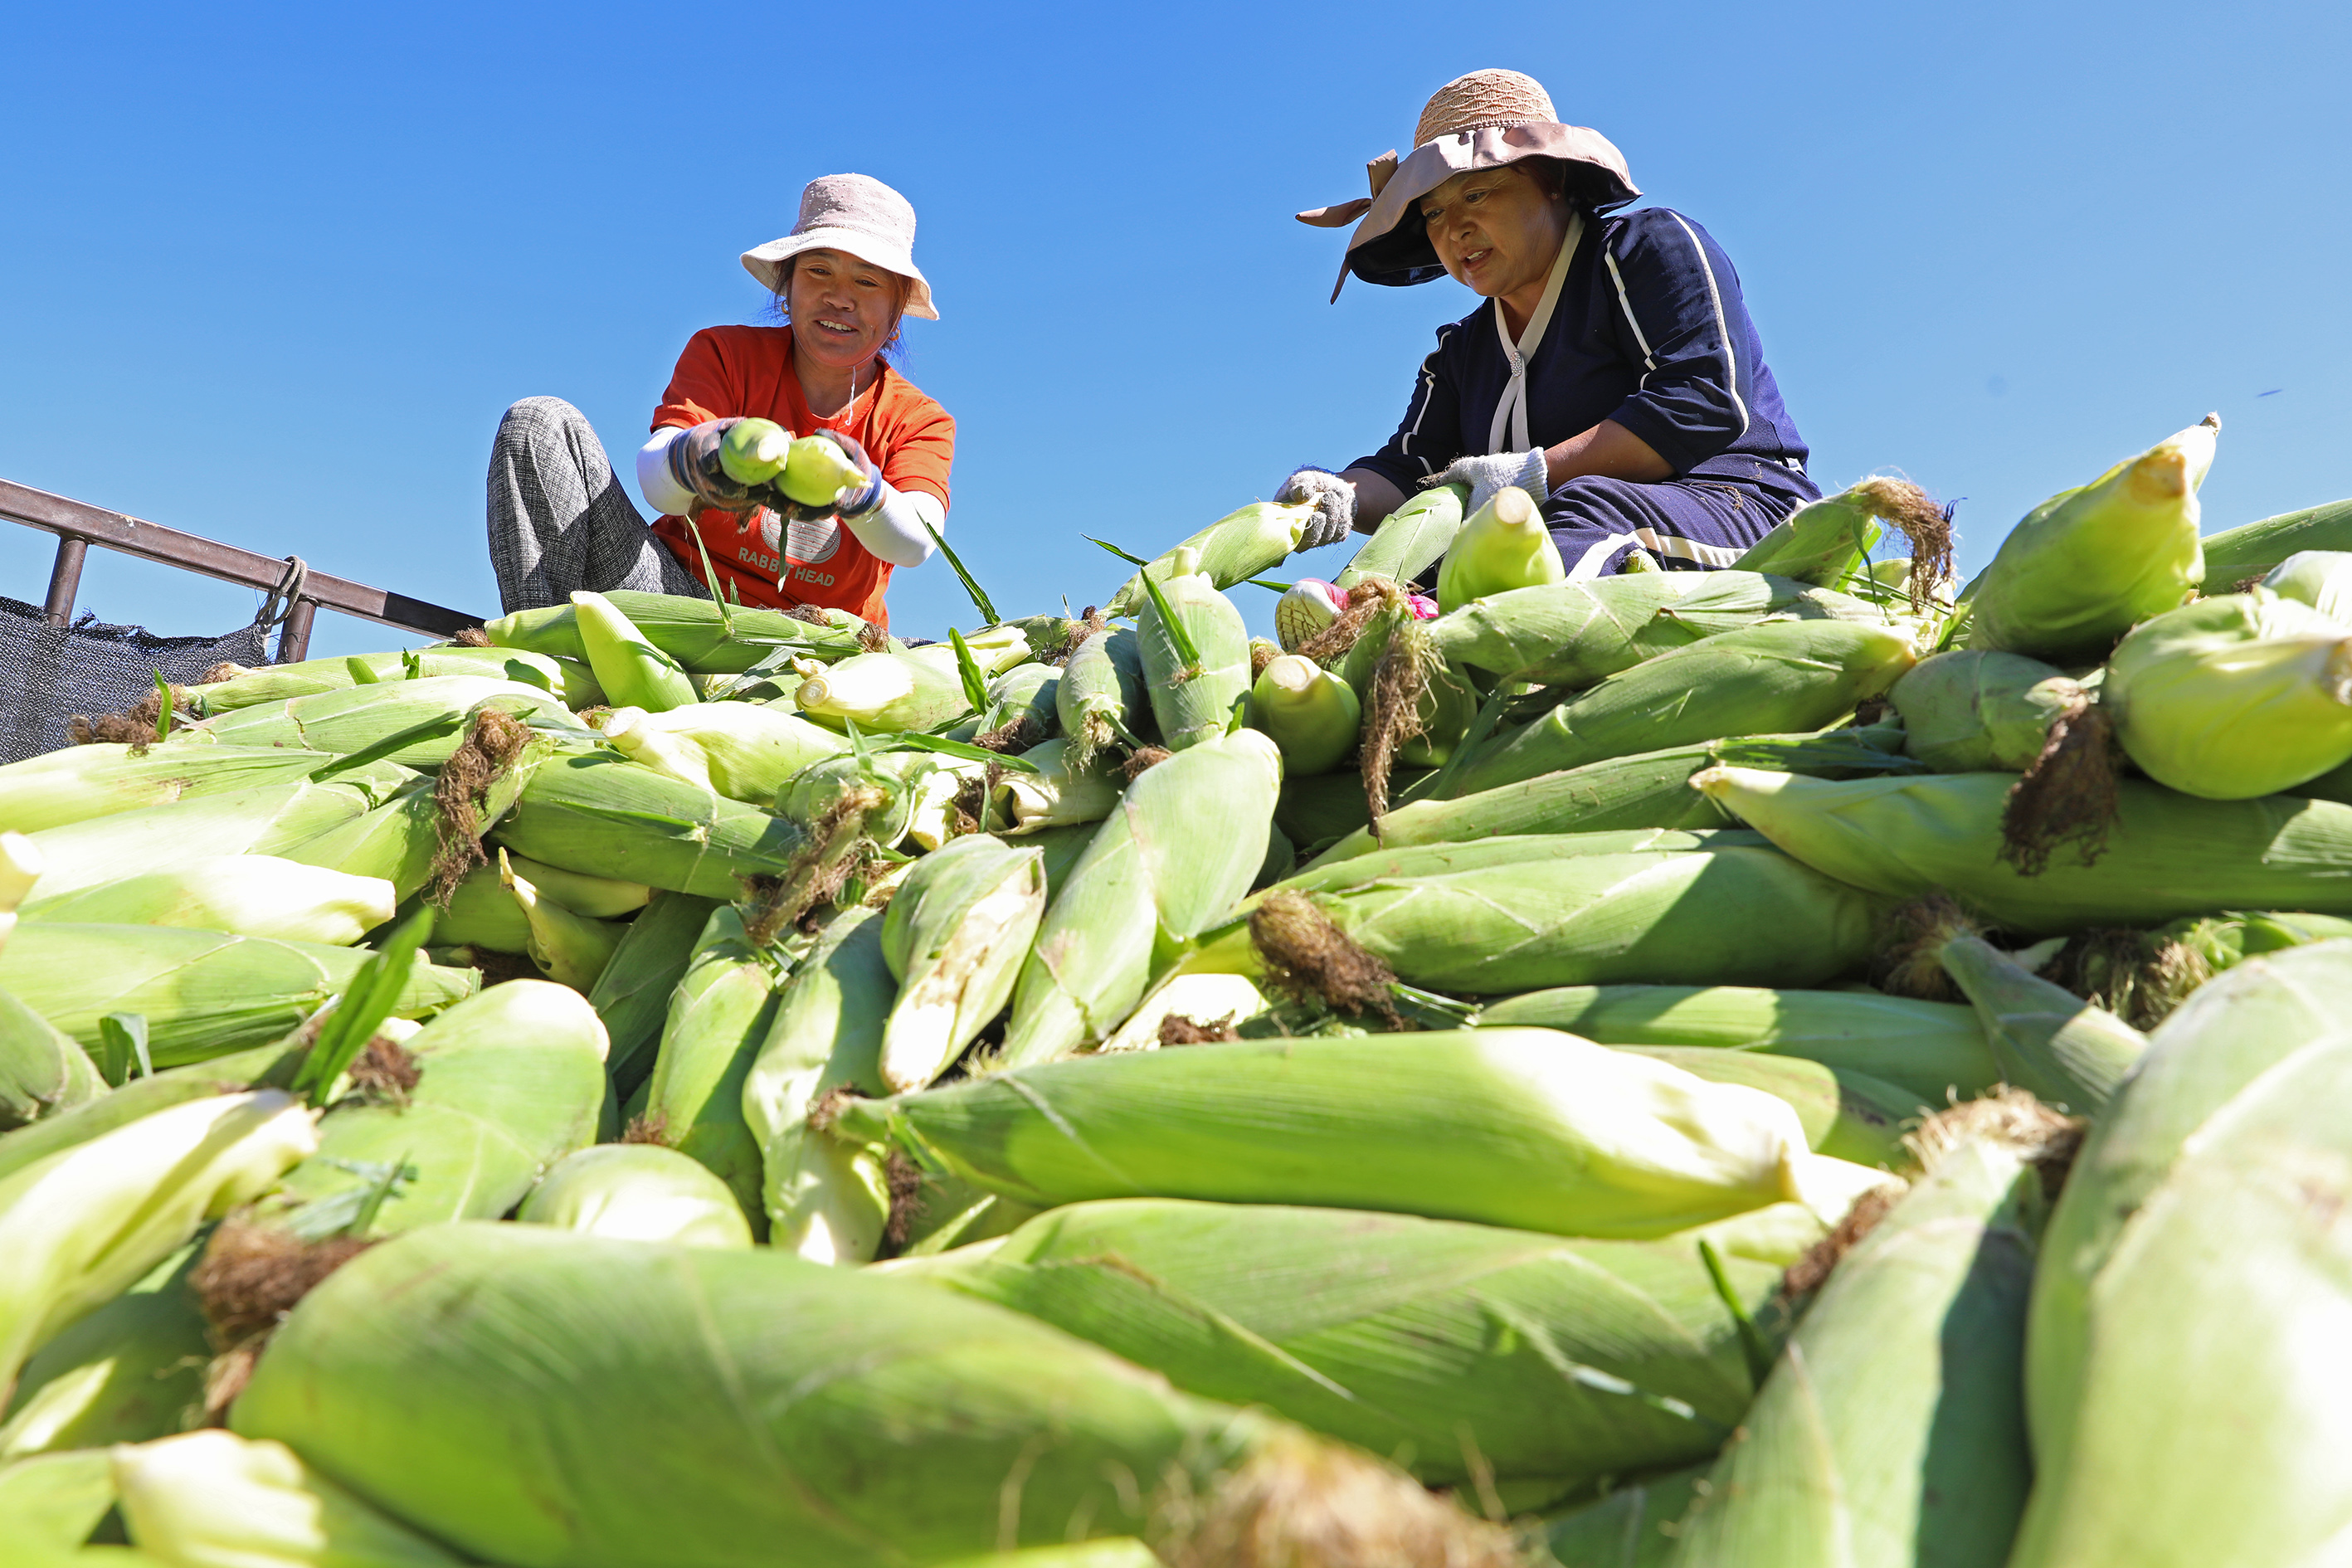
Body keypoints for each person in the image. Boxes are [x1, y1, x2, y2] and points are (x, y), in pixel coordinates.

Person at [1277, 68, 1816, 602]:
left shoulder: (1643, 249)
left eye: (1477, 193)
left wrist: (1530, 475)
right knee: (1421, 574)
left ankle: (1437, 636)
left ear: (1551, 181)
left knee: (1585, 506)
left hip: (1741, 508)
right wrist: (1336, 493)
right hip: (1559, 528)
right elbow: (1408, 472)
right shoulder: (1458, 354)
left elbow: (1699, 400)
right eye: (1433, 211)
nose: (1453, 228)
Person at [486, 173, 953, 629]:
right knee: (539, 422)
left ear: (896, 312)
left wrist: (857, 489)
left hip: (814, 643)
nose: (839, 298)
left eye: (868, 282)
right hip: (672, 605)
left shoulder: (919, 420)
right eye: (819, 271)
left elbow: (916, 542)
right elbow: (659, 487)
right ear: (786, 288)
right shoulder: (725, 353)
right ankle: (543, 647)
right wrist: (694, 457)